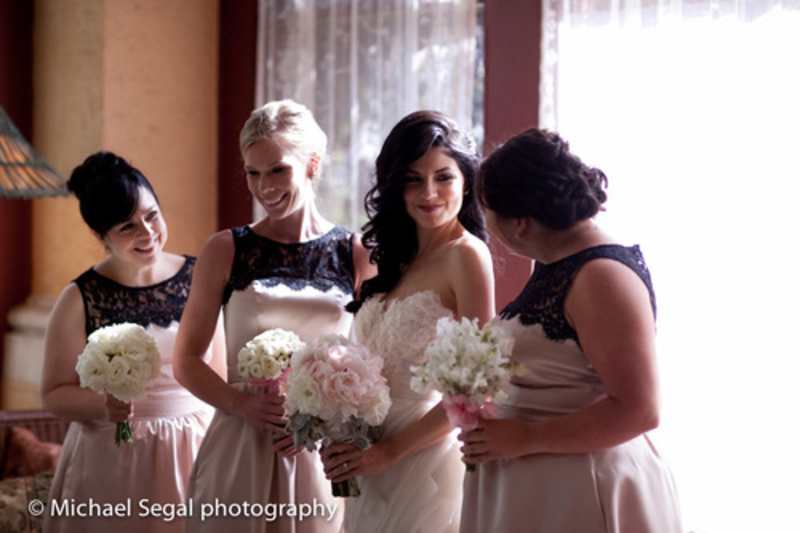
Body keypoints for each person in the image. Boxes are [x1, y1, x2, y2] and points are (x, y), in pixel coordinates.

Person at [459, 128, 683, 532]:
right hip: (543, 487)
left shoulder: (602, 277)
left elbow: (640, 409)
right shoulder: (556, 261)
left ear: (521, 223)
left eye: (487, 211)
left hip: (584, 489)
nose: (487, 225)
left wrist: (524, 437)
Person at [173, 99, 374, 533]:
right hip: (240, 441)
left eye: (278, 169)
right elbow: (185, 361)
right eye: (253, 173)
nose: (264, 187)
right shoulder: (225, 250)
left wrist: (320, 417)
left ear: (312, 164)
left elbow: (373, 362)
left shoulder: (355, 253)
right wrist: (243, 405)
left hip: (321, 450)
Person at [320, 111, 495, 533]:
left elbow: (477, 386)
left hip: (423, 460)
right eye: (413, 179)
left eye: (443, 177)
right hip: (369, 458)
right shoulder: (395, 256)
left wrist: (391, 452)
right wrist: (340, 427)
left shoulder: (467, 256)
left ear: (466, 182)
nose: (429, 193)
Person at [41, 151, 225, 533]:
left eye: (152, 215)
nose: (147, 232)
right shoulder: (79, 298)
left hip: (195, 447)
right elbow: (54, 394)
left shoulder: (201, 277)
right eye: (127, 226)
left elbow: (219, 375)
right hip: (112, 456)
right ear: (101, 236)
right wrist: (105, 404)